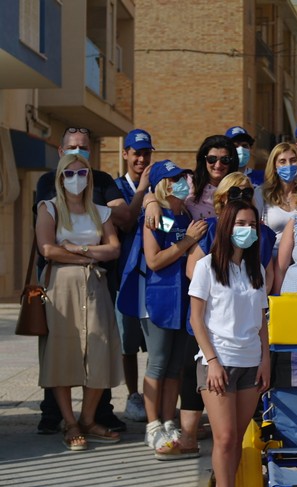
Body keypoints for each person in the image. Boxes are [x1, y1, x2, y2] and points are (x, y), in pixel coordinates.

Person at [155, 173, 277, 461]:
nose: (240, 197)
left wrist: (247, 295)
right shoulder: (210, 228)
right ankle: (187, 436)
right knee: (195, 380)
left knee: (233, 433)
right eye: (234, 192)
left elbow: (267, 275)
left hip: (246, 335)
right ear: (221, 197)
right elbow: (192, 269)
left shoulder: (264, 233)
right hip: (211, 328)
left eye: (246, 192)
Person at [35, 127, 128, 435]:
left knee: (100, 348)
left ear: (90, 175)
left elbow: (113, 248)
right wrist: (88, 257)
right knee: (63, 353)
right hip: (60, 287)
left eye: (82, 173)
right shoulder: (48, 207)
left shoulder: (100, 211)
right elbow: (47, 249)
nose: (76, 177)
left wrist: (78, 248)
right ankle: (70, 422)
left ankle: (88, 418)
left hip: (95, 287)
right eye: (70, 173)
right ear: (60, 176)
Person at [119, 160, 208, 450]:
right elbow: (155, 259)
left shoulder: (184, 215)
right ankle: (153, 423)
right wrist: (186, 243)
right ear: (164, 185)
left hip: (182, 297)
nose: (183, 182)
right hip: (157, 298)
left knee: (174, 367)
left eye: (183, 177)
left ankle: (170, 421)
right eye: (175, 179)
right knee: (157, 362)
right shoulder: (156, 215)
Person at [189, 200, 270, 487]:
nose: (246, 230)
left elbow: (261, 320)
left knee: (236, 439)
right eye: (240, 224)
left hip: (251, 363)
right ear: (225, 227)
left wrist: (265, 359)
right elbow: (197, 319)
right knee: (223, 437)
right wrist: (211, 361)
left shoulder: (257, 269)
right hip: (217, 363)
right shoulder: (206, 266)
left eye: (251, 224)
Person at [114, 129, 154, 422]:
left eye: (146, 153)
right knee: (128, 343)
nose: (141, 158)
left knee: (156, 344)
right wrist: (143, 190)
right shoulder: (115, 188)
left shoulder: (159, 187)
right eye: (136, 152)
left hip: (154, 277)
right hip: (125, 277)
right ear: (125, 153)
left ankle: (152, 396)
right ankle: (132, 395)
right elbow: (125, 224)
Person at [261, 142, 297, 256]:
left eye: (293, 160)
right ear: (274, 166)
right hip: (271, 259)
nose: (288, 165)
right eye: (282, 161)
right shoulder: (262, 194)